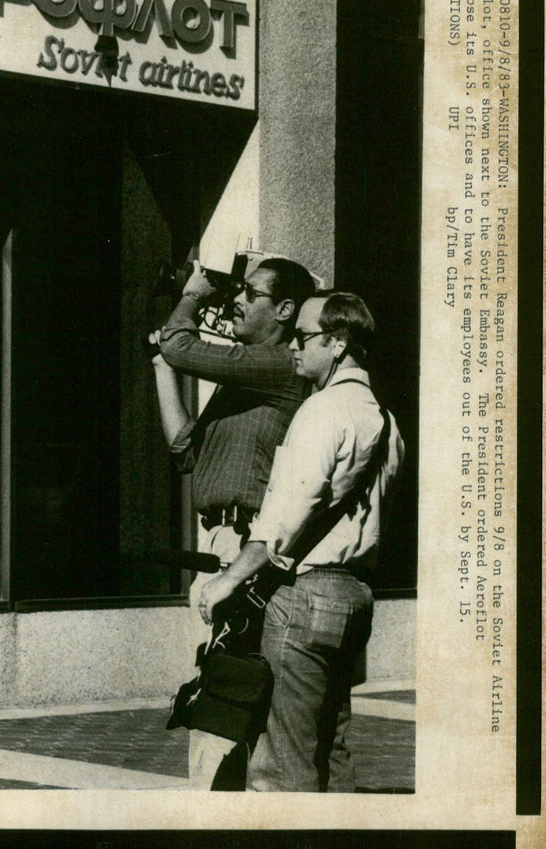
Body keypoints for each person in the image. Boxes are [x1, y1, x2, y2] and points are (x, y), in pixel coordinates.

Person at [199, 291, 405, 792]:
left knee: (280, 762)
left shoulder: (320, 411)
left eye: (304, 337)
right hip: (354, 596)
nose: (293, 347)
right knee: (330, 749)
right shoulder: (386, 421)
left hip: (306, 597)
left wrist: (225, 581)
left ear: (336, 344)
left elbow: (282, 521)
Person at [150, 256, 316, 789]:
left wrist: (193, 294)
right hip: (224, 538)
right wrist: (161, 367)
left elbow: (181, 343)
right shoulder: (249, 376)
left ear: (285, 311)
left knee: (229, 681)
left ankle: (217, 805)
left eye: (250, 293)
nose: (237, 302)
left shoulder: (275, 364)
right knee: (226, 678)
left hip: (247, 543)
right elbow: (185, 450)